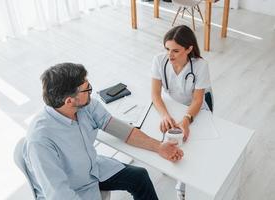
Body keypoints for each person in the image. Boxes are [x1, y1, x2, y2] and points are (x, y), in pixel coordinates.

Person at [23, 63, 184, 200]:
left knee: (139, 177)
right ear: (69, 101)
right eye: (87, 89)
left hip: (93, 167)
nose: (91, 92)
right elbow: (59, 194)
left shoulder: (87, 106)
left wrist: (159, 146)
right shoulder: (40, 141)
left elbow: (122, 131)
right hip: (74, 188)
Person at [151, 25, 212, 199]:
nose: (169, 55)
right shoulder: (159, 60)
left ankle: (182, 184)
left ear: (189, 48)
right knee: (166, 136)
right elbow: (155, 94)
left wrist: (186, 120)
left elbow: (198, 100)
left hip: (194, 108)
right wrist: (165, 115)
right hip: (170, 106)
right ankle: (171, 162)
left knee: (190, 143)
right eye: (167, 49)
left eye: (176, 51)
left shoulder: (200, 65)